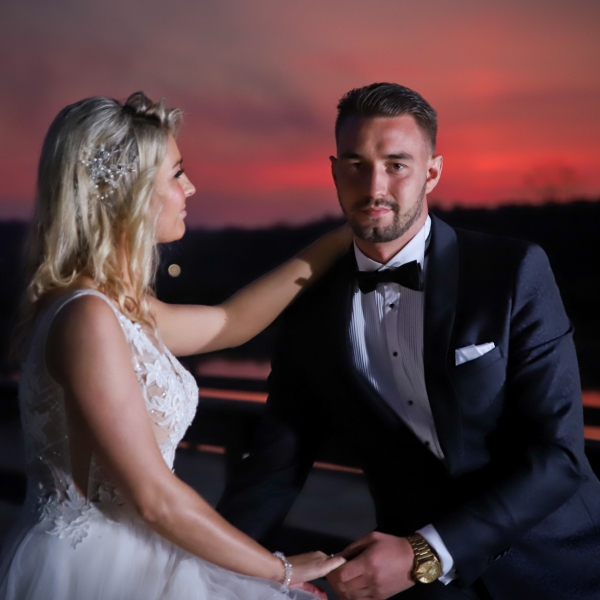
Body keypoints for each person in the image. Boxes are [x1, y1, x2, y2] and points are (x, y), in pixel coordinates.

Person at [217, 83, 600, 600]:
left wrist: (427, 552)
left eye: (396, 165)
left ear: (432, 172)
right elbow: (275, 466)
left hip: (554, 566)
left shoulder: (512, 271)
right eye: (356, 164)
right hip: (411, 587)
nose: (374, 186)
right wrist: (213, 567)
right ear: (334, 171)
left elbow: (559, 455)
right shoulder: (309, 309)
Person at [0, 92, 349, 600]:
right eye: (177, 173)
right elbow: (153, 498)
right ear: (131, 193)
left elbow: (230, 323)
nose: (191, 187)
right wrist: (278, 571)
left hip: (142, 554)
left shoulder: (118, 307)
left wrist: (343, 240)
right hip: (97, 572)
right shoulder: (86, 317)